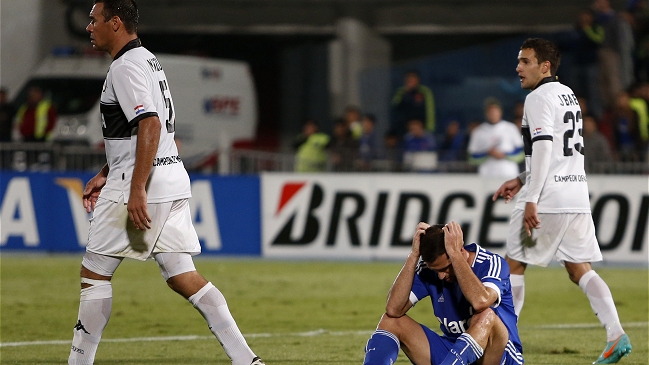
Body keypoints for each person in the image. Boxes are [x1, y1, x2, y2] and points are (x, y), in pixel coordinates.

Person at [69, 2, 265, 365]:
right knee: (181, 275)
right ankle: (247, 360)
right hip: (172, 178)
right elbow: (142, 132)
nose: (88, 27)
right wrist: (107, 169)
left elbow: (150, 125)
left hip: (145, 183)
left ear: (115, 23)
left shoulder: (124, 67)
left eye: (94, 20)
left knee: (94, 274)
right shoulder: (148, 59)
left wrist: (136, 188)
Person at [493, 38, 632, 364]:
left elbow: (542, 149)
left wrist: (532, 198)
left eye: (525, 61)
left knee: (512, 265)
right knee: (579, 268)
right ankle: (616, 334)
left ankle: (505, 344)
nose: (518, 68)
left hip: (549, 197)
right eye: (518, 61)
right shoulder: (567, 94)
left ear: (545, 67)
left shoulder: (537, 98)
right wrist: (521, 178)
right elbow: (558, 152)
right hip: (575, 195)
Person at [362, 221, 524, 365]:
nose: (440, 275)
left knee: (485, 315)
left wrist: (454, 255)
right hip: (453, 353)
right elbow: (393, 309)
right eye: (436, 270)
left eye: (445, 268)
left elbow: (481, 301)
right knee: (391, 321)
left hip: (498, 356)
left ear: (460, 251)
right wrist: (413, 256)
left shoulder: (490, 263)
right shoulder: (429, 271)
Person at [468, 97, 524, 178]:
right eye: (490, 111)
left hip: (509, 174)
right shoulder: (478, 131)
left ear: (500, 112)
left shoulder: (511, 128)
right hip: (486, 175)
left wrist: (504, 155)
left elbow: (521, 154)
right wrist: (487, 153)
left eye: (495, 111)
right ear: (486, 113)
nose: (493, 113)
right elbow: (471, 158)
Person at [390, 70, 436, 138]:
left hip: (422, 130)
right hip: (405, 129)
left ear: (418, 80)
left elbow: (430, 111)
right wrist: (405, 93)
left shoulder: (425, 91)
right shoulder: (401, 92)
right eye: (409, 78)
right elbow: (395, 106)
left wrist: (429, 129)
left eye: (413, 78)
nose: (411, 80)